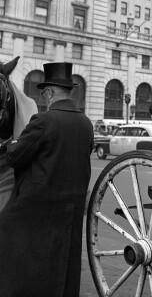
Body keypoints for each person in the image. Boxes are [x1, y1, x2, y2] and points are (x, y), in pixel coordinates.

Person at [0, 62, 94, 297]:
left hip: (39, 202)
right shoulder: (86, 123)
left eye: (44, 94)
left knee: (5, 227)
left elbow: (16, 157)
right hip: (71, 203)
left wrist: (9, 144)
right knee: (64, 254)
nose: (43, 99)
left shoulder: (43, 121)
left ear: (50, 92)